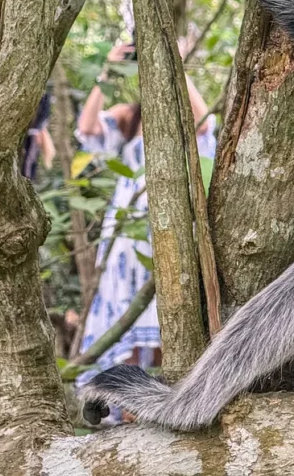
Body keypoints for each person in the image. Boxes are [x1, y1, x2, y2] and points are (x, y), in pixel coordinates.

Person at [74, 41, 216, 413]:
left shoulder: (183, 117)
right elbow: (87, 130)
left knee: (165, 315)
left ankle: (160, 403)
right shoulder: (131, 116)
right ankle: (124, 409)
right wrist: (107, 69)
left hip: (168, 226)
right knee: (128, 314)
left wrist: (175, 64)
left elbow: (206, 129)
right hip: (128, 232)